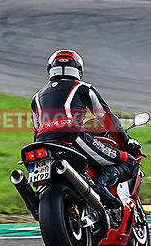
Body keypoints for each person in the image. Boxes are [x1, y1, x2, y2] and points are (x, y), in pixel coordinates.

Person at [30, 49, 141, 211]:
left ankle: (39, 198)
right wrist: (126, 141)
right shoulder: (83, 88)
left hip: (42, 144)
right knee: (128, 161)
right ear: (78, 70)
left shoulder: (36, 97)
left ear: (50, 70)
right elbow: (106, 118)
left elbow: (36, 129)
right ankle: (100, 186)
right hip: (73, 137)